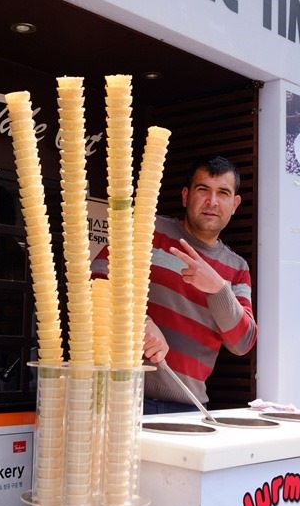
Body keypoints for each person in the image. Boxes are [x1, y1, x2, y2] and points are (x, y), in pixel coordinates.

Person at [92, 154, 257, 413]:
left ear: (235, 204)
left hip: (189, 407)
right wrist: (140, 322)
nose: (212, 202)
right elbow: (96, 282)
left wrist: (217, 288)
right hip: (122, 397)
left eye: (223, 193)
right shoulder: (147, 230)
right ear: (185, 196)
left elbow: (243, 342)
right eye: (203, 190)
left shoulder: (237, 268)